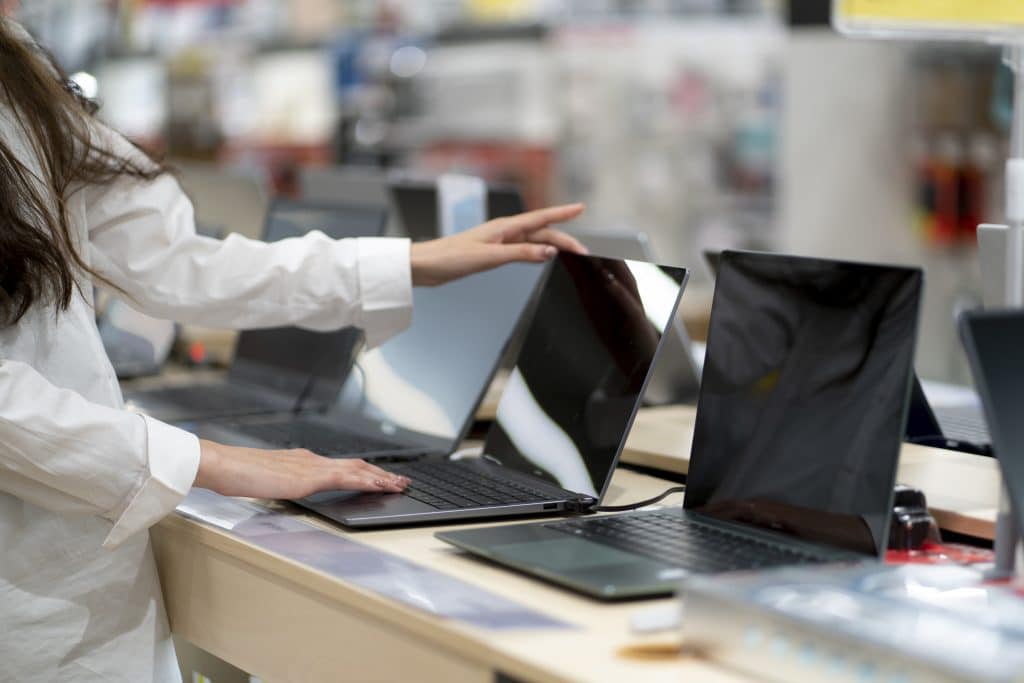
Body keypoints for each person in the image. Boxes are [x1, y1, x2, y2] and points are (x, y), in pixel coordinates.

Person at [0, 18, 585, 682]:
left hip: (79, 580)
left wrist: (412, 263)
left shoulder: (19, 68)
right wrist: (213, 462)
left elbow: (174, 262)